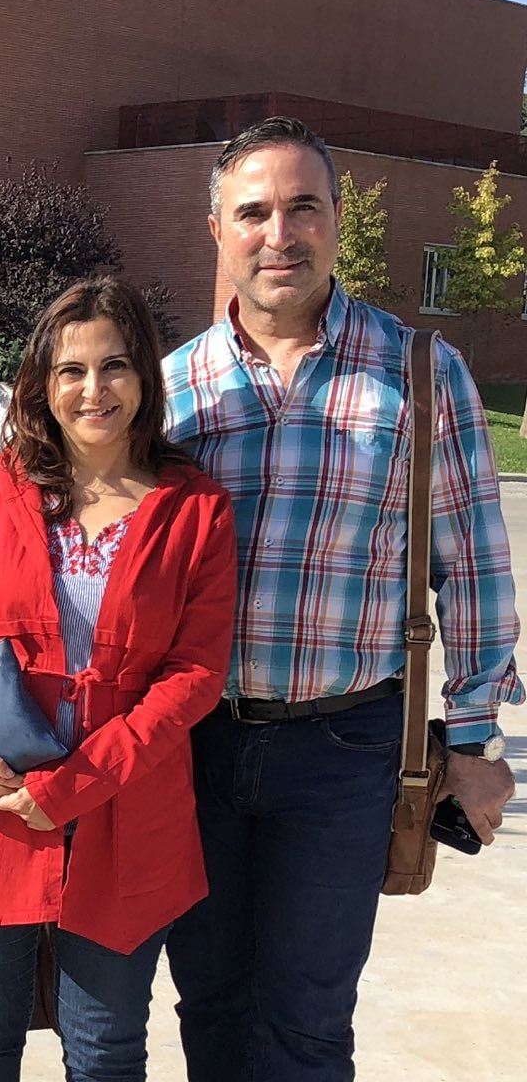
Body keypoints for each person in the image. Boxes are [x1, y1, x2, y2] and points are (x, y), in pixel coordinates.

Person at [163, 116, 521, 1082]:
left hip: (344, 751)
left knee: (307, 1021)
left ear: (334, 223)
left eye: (303, 207)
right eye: (254, 213)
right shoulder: (173, 388)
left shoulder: (419, 371)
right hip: (192, 748)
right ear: (218, 232)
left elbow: (478, 566)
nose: (279, 233)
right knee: (210, 1005)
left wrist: (477, 742)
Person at [0, 277, 238, 1080]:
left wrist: (77, 783)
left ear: (145, 379)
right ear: (41, 386)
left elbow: (194, 675)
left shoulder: (197, 509)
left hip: (127, 804)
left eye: (114, 366)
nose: (94, 389)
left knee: (106, 1046)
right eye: (71, 371)